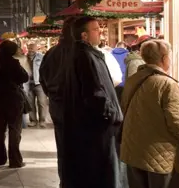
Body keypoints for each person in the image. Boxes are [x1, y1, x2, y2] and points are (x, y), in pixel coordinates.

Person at [120, 40, 179, 188]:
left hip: (133, 150)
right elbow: (178, 121)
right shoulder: (167, 84)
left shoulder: (133, 79)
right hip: (159, 155)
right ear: (163, 58)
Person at [62, 16, 123, 188]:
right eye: (95, 29)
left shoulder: (87, 55)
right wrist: (110, 115)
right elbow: (94, 93)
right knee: (100, 173)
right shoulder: (86, 57)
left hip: (93, 126)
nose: (100, 32)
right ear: (84, 36)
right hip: (96, 128)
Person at [39, 17, 76, 184]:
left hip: (57, 104)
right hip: (76, 107)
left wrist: (52, 95)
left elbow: (43, 78)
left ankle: (65, 179)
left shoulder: (51, 53)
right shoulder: (80, 52)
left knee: (62, 145)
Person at [0, 40, 29, 168]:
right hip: (13, 99)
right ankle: (15, 160)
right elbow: (24, 77)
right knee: (14, 129)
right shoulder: (13, 63)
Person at [26, 42, 48, 128]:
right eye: (29, 48)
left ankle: (42, 121)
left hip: (39, 83)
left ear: (36, 49)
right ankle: (33, 120)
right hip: (28, 83)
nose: (30, 50)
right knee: (30, 103)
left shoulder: (41, 57)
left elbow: (46, 69)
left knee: (42, 103)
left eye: (32, 48)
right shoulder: (25, 58)